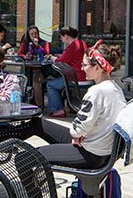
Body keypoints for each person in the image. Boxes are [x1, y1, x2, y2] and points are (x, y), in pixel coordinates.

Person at [31, 40, 126, 168]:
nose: (81, 68)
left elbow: (76, 131)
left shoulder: (96, 91)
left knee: (25, 157)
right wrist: (81, 133)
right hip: (101, 149)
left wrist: (79, 134)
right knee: (38, 123)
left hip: (90, 153)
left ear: (97, 67)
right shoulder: (116, 89)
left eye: (84, 65)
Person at [46, 26, 88, 117]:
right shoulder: (82, 43)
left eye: (61, 37)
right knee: (57, 82)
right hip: (85, 75)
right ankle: (70, 107)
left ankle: (58, 110)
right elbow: (72, 57)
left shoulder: (72, 47)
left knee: (51, 85)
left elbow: (60, 61)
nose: (61, 39)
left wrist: (51, 57)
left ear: (66, 36)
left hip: (75, 78)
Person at [17, 25, 50, 108]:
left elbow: (46, 53)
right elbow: (19, 53)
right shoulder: (25, 43)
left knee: (36, 81)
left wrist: (38, 45)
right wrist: (25, 56)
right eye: (32, 34)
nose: (34, 35)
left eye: (35, 33)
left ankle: (39, 106)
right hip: (27, 69)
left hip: (40, 69)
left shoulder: (44, 43)